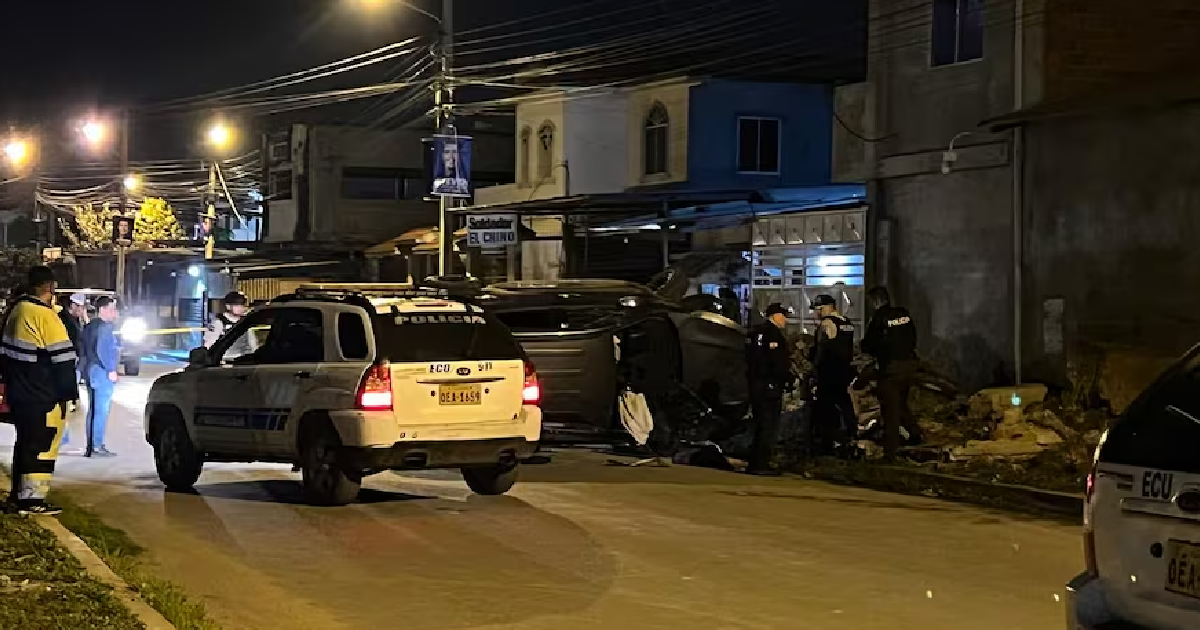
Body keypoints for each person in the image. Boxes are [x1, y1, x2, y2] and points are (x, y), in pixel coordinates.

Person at [1, 266, 78, 515]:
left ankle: (18, 496)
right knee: (42, 446)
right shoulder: (44, 316)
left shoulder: (16, 311)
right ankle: (32, 499)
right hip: (43, 396)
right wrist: (69, 396)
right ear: (50, 287)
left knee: (25, 444)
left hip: (20, 393)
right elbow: (64, 359)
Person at [862, 286, 921, 459]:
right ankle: (915, 434)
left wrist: (875, 354)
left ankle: (891, 450)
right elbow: (913, 337)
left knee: (890, 409)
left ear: (876, 301)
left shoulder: (879, 317)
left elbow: (869, 344)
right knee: (901, 403)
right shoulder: (903, 314)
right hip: (909, 365)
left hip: (891, 368)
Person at [744, 303, 796, 475]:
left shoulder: (758, 332)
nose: (785, 319)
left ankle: (758, 462)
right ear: (774, 315)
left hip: (760, 384)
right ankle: (760, 464)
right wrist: (780, 378)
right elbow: (772, 361)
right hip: (768, 385)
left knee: (762, 424)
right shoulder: (770, 333)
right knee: (768, 424)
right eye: (783, 315)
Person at [809, 294, 858, 457]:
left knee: (826, 408)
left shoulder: (826, 324)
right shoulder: (847, 323)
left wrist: (814, 371)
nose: (817, 313)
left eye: (819, 309)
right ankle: (852, 435)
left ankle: (828, 444)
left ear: (827, 308)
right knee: (845, 403)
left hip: (828, 372)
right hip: (844, 371)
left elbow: (821, 351)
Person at [80, 296, 121, 457]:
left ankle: (91, 446)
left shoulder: (90, 326)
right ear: (102, 310)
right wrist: (111, 370)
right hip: (101, 372)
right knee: (100, 411)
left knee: (93, 410)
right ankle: (97, 446)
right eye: (112, 309)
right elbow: (103, 350)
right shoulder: (104, 328)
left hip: (90, 370)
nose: (115, 313)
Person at [57, 293, 90, 455]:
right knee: (63, 404)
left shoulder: (74, 320)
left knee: (66, 404)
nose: (83, 311)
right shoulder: (64, 320)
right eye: (81, 307)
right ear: (73, 306)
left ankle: (62, 438)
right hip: (67, 366)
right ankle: (60, 439)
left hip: (73, 365)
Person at [204, 291, 256, 356]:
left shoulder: (245, 321)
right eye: (236, 305)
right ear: (228, 306)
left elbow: (252, 342)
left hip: (244, 358)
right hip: (225, 358)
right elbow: (209, 344)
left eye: (242, 305)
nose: (240, 307)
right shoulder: (219, 322)